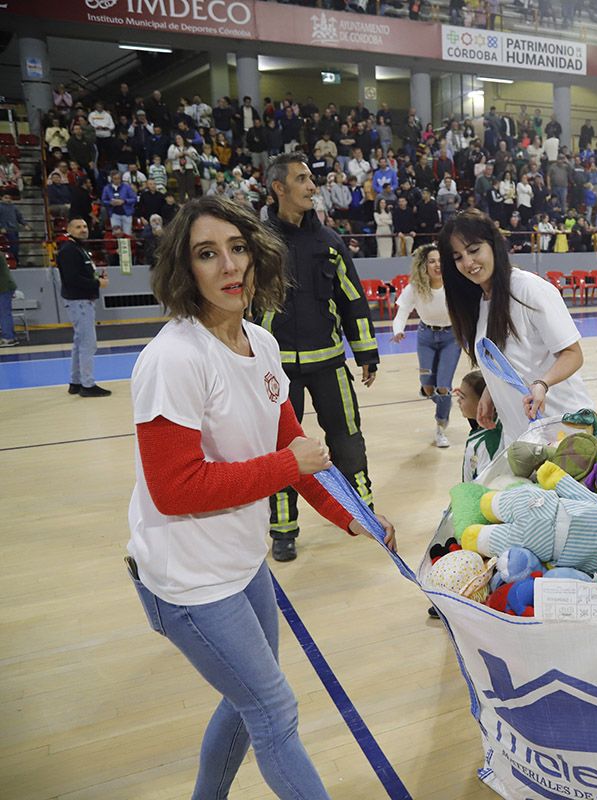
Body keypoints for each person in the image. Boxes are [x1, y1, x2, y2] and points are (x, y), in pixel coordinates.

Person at [126, 195, 396, 800]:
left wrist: (352, 515)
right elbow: (175, 490)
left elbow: (296, 455)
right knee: (273, 709)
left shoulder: (260, 344)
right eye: (207, 254)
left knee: (247, 701)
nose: (229, 266)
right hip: (186, 579)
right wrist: (285, 464)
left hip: (242, 564)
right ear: (183, 270)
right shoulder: (172, 359)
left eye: (238, 248)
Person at [259, 153, 381, 562]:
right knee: (280, 453)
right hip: (274, 374)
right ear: (279, 188)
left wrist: (366, 352)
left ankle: (362, 511)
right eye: (303, 179)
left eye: (311, 178)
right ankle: (283, 530)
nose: (313, 186)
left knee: (348, 440)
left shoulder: (330, 242)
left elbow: (353, 300)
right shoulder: (256, 242)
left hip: (330, 364)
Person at [438, 210, 591, 445]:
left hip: (563, 432)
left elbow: (573, 354)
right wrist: (491, 393)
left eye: (474, 250)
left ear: (493, 244)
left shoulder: (529, 290)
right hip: (522, 437)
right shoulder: (482, 302)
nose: (468, 262)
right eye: (458, 257)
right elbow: (509, 361)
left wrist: (542, 384)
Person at [390, 244, 462, 448]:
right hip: (425, 337)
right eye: (432, 261)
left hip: (451, 337)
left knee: (443, 387)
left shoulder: (454, 284)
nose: (437, 265)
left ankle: (441, 427)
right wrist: (398, 331)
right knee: (428, 385)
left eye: (440, 260)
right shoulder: (415, 287)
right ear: (424, 265)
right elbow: (402, 312)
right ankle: (430, 391)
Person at [58, 217, 112, 397]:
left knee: (79, 342)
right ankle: (87, 385)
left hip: (81, 301)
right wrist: (97, 284)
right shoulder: (69, 251)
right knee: (88, 344)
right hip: (79, 301)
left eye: (85, 226)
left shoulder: (78, 249)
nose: (83, 229)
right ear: (69, 230)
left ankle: (75, 382)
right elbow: (73, 279)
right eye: (78, 227)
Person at [457, 369, 503, 483]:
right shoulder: (480, 429)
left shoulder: (487, 444)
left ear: (482, 402)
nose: (458, 401)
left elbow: (483, 488)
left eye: (462, 397)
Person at [0, 191, 32, 267]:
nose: (8, 199)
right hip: (5, 231)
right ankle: (7, 262)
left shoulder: (13, 207)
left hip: (14, 230)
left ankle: (15, 261)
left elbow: (19, 217)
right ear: (1, 198)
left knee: (15, 247)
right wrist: (1, 227)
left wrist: (25, 224)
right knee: (9, 247)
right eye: (6, 198)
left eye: (9, 198)